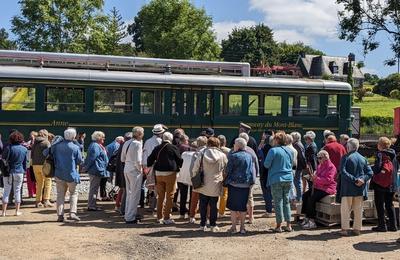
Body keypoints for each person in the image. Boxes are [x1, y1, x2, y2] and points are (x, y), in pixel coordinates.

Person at [338, 138, 373, 236]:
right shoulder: (363, 158)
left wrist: (354, 180)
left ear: (348, 147)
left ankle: (345, 229)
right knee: (358, 209)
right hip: (360, 188)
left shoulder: (345, 157)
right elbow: (370, 172)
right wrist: (362, 180)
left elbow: (343, 172)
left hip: (348, 188)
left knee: (345, 209)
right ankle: (357, 229)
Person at [192, 137, 227, 232]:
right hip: (216, 183)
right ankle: (213, 225)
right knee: (214, 205)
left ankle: (202, 224)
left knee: (203, 204)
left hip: (203, 182)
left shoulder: (202, 153)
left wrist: (195, 177)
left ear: (208, 144)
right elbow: (225, 169)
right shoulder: (222, 155)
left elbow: (195, 168)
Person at [147, 132, 183, 225]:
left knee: (160, 196)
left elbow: (149, 160)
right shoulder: (174, 148)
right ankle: (167, 217)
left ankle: (159, 217)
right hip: (170, 173)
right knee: (170, 195)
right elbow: (179, 160)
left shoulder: (157, 148)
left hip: (158, 174)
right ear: (170, 139)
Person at [49, 128, 83, 222]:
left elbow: (49, 153)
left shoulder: (57, 146)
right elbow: (80, 161)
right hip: (71, 174)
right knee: (73, 193)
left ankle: (60, 215)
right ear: (73, 136)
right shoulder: (75, 147)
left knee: (60, 195)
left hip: (59, 173)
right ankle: (72, 213)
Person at [264, 131, 294, 233]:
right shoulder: (289, 151)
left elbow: (266, 165)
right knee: (286, 201)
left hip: (276, 179)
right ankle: (289, 225)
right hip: (288, 178)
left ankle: (278, 226)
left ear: (277, 140)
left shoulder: (273, 151)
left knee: (278, 202)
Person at [301, 150, 337, 229]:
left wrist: (316, 178)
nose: (318, 159)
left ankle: (312, 221)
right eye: (317, 158)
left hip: (327, 188)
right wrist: (311, 177)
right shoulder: (320, 165)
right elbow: (316, 176)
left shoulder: (331, 167)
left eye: (320, 158)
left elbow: (328, 180)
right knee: (305, 195)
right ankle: (306, 216)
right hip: (318, 186)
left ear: (326, 157)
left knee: (312, 198)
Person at [226, 137, 254, 234]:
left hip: (234, 184)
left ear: (237, 146)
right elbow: (251, 171)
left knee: (233, 208)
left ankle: (234, 227)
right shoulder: (249, 156)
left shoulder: (233, 156)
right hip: (245, 185)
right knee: (243, 207)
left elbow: (228, 170)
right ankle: (242, 228)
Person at [370, 137, 398, 232]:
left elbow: (377, 169)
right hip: (392, 183)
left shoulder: (380, 154)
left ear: (380, 145)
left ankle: (382, 225)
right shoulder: (394, 155)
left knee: (380, 204)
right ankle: (393, 225)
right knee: (390, 205)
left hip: (381, 184)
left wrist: (371, 169)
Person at [121, 127, 144, 224]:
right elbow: (138, 161)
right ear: (139, 134)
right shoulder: (137, 144)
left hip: (126, 167)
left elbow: (122, 158)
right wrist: (141, 170)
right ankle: (130, 217)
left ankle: (128, 215)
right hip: (134, 170)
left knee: (129, 194)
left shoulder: (127, 142)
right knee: (135, 194)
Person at [1, 131, 27, 217]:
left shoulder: (8, 148)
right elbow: (25, 163)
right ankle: (17, 211)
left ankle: (3, 212)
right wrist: (24, 171)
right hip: (19, 171)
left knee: (6, 191)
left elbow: (3, 159)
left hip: (8, 172)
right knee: (17, 191)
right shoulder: (24, 149)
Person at [142, 124, 165, 213]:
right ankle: (156, 206)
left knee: (151, 186)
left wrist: (145, 167)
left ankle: (151, 204)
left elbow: (145, 154)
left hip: (149, 166)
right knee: (158, 187)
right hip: (158, 166)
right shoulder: (161, 142)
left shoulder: (147, 141)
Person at [85, 131, 109, 211]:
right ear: (98, 138)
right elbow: (91, 158)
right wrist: (86, 168)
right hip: (95, 170)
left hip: (97, 169)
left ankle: (93, 204)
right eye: (103, 137)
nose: (104, 139)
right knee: (94, 188)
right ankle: (91, 206)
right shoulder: (95, 146)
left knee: (95, 188)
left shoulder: (97, 145)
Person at [239, 132, 259, 224]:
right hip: (250, 178)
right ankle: (251, 217)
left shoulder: (234, 151)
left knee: (238, 197)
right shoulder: (251, 151)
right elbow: (256, 165)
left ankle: (239, 218)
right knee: (250, 197)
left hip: (238, 179)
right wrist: (255, 176)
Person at [188, 136, 208, 224]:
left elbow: (191, 168)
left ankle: (192, 216)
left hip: (197, 178)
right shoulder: (208, 152)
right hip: (207, 178)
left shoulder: (196, 153)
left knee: (194, 198)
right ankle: (206, 217)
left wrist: (193, 177)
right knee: (206, 198)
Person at [31, 129, 52, 208]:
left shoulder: (35, 143)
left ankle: (38, 201)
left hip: (35, 165)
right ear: (45, 135)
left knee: (39, 184)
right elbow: (50, 154)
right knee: (48, 182)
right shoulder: (46, 143)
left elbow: (32, 155)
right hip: (44, 165)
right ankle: (46, 200)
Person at [177, 142, 197, 218]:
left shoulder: (184, 153)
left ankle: (182, 214)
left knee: (183, 196)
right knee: (192, 196)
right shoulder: (197, 154)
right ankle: (190, 214)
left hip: (183, 176)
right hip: (192, 177)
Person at [114, 132, 133, 214]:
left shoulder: (122, 145)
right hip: (125, 171)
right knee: (126, 190)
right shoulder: (127, 146)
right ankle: (123, 209)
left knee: (123, 190)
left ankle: (119, 206)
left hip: (121, 170)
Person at [101, 136, 124, 201]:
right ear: (120, 141)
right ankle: (113, 194)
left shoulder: (109, 145)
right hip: (114, 166)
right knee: (114, 181)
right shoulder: (118, 146)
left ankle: (106, 194)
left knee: (108, 181)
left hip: (108, 165)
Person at [259, 130, 274, 217]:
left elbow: (259, 151)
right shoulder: (278, 148)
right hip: (274, 174)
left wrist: (262, 140)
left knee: (266, 193)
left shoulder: (265, 148)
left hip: (265, 173)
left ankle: (268, 211)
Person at [291, 132, 306, 202]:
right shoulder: (297, 144)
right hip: (298, 166)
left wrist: (303, 166)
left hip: (298, 166)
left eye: (292, 137)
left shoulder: (297, 145)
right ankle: (299, 197)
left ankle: (299, 198)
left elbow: (302, 157)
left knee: (297, 182)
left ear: (295, 138)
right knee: (297, 182)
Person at [217, 135, 230, 217]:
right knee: (224, 194)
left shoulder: (214, 151)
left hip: (216, 174)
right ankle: (221, 212)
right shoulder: (229, 151)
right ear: (225, 142)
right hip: (225, 174)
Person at [25, 131, 37, 199]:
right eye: (31, 136)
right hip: (29, 164)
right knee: (29, 180)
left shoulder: (38, 143)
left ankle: (36, 193)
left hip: (35, 163)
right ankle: (30, 193)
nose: (32, 137)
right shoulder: (28, 143)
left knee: (36, 180)